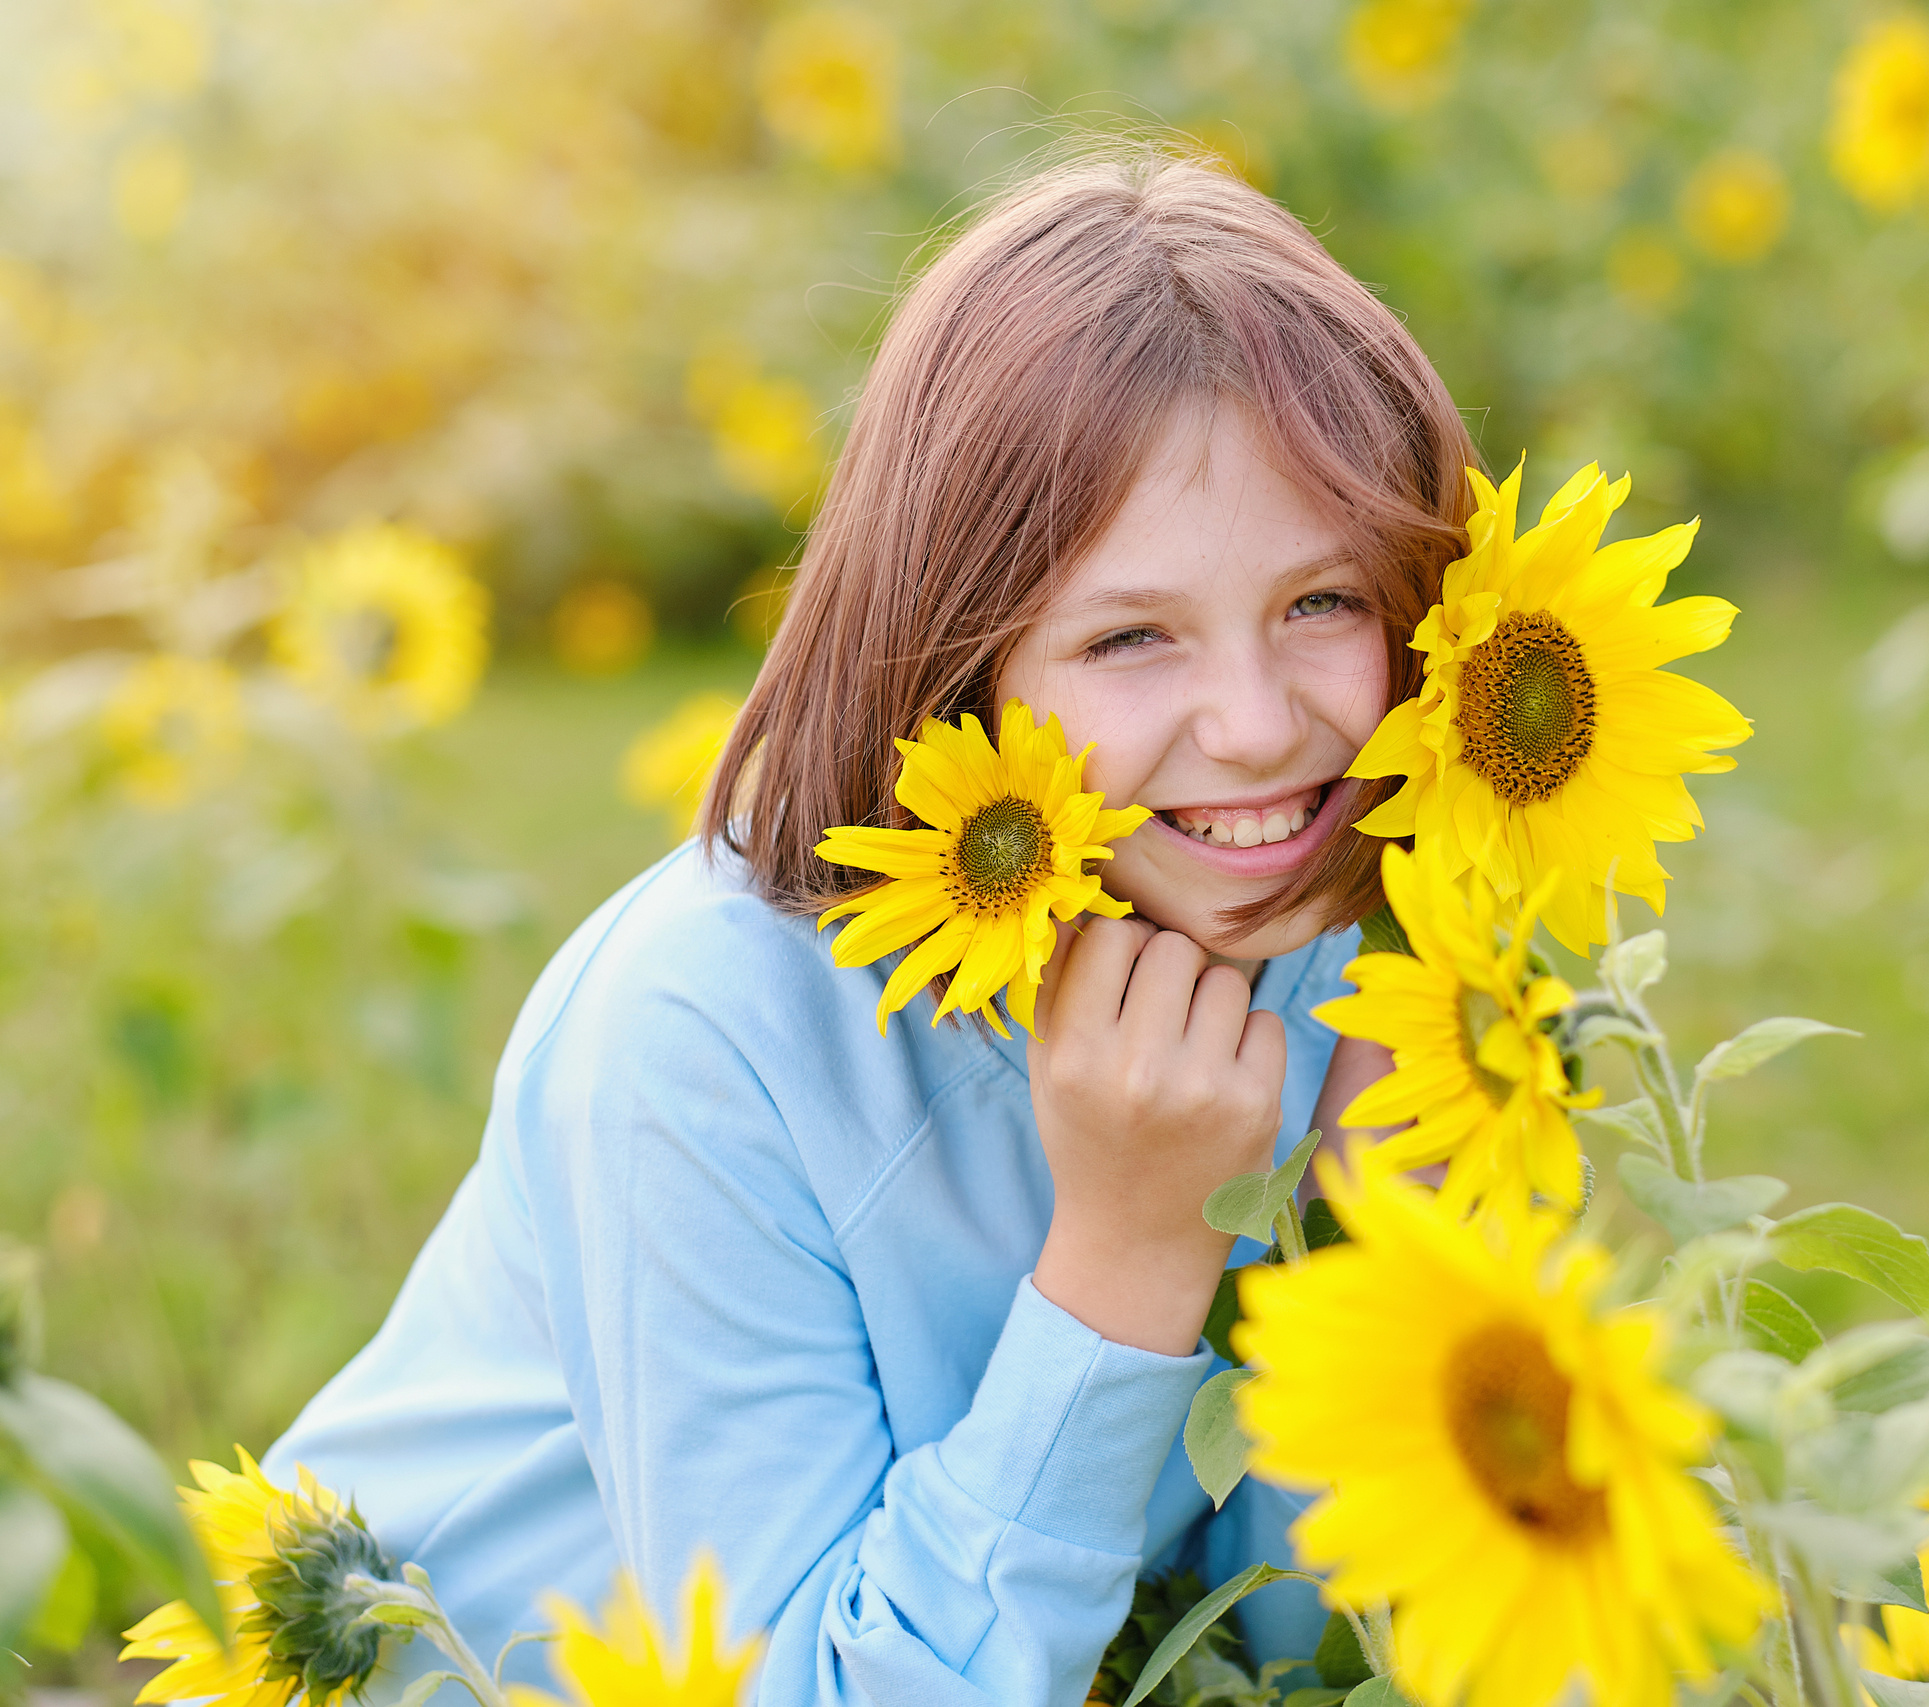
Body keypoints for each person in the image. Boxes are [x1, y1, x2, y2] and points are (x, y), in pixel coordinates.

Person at [266, 148, 1477, 1706]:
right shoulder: (697, 1036)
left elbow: (1322, 1653)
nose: (1255, 727)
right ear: (955, 657)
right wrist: (1122, 1259)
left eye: (1324, 603)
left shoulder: (1364, 936)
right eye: (1129, 635)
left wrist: (1391, 1277)